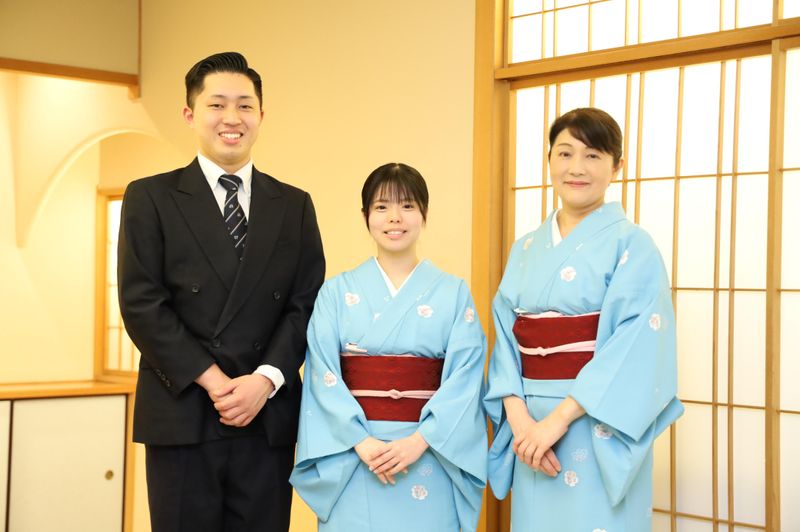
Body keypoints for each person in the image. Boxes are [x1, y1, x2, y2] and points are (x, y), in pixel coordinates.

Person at [118, 52, 325, 532]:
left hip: (265, 415)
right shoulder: (150, 197)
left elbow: (306, 305)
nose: (232, 118)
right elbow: (142, 304)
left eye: (245, 105)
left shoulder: (293, 204)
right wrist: (216, 382)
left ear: (261, 116)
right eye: (217, 105)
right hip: (184, 411)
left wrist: (263, 381)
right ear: (190, 114)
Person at [484, 107, 684, 531]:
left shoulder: (633, 244)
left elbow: (636, 347)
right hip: (529, 429)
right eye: (565, 153)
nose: (576, 168)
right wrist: (521, 424)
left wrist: (556, 422)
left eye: (593, 155)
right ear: (549, 160)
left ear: (617, 166)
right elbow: (505, 340)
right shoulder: (524, 249)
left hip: (594, 422)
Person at [290, 163, 487, 532]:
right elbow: (322, 376)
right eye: (382, 207)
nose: (395, 218)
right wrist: (361, 442)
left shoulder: (453, 292)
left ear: (424, 214)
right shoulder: (335, 293)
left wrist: (419, 441)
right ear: (365, 215)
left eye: (408, 206)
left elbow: (466, 377)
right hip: (353, 455)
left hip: (428, 452)